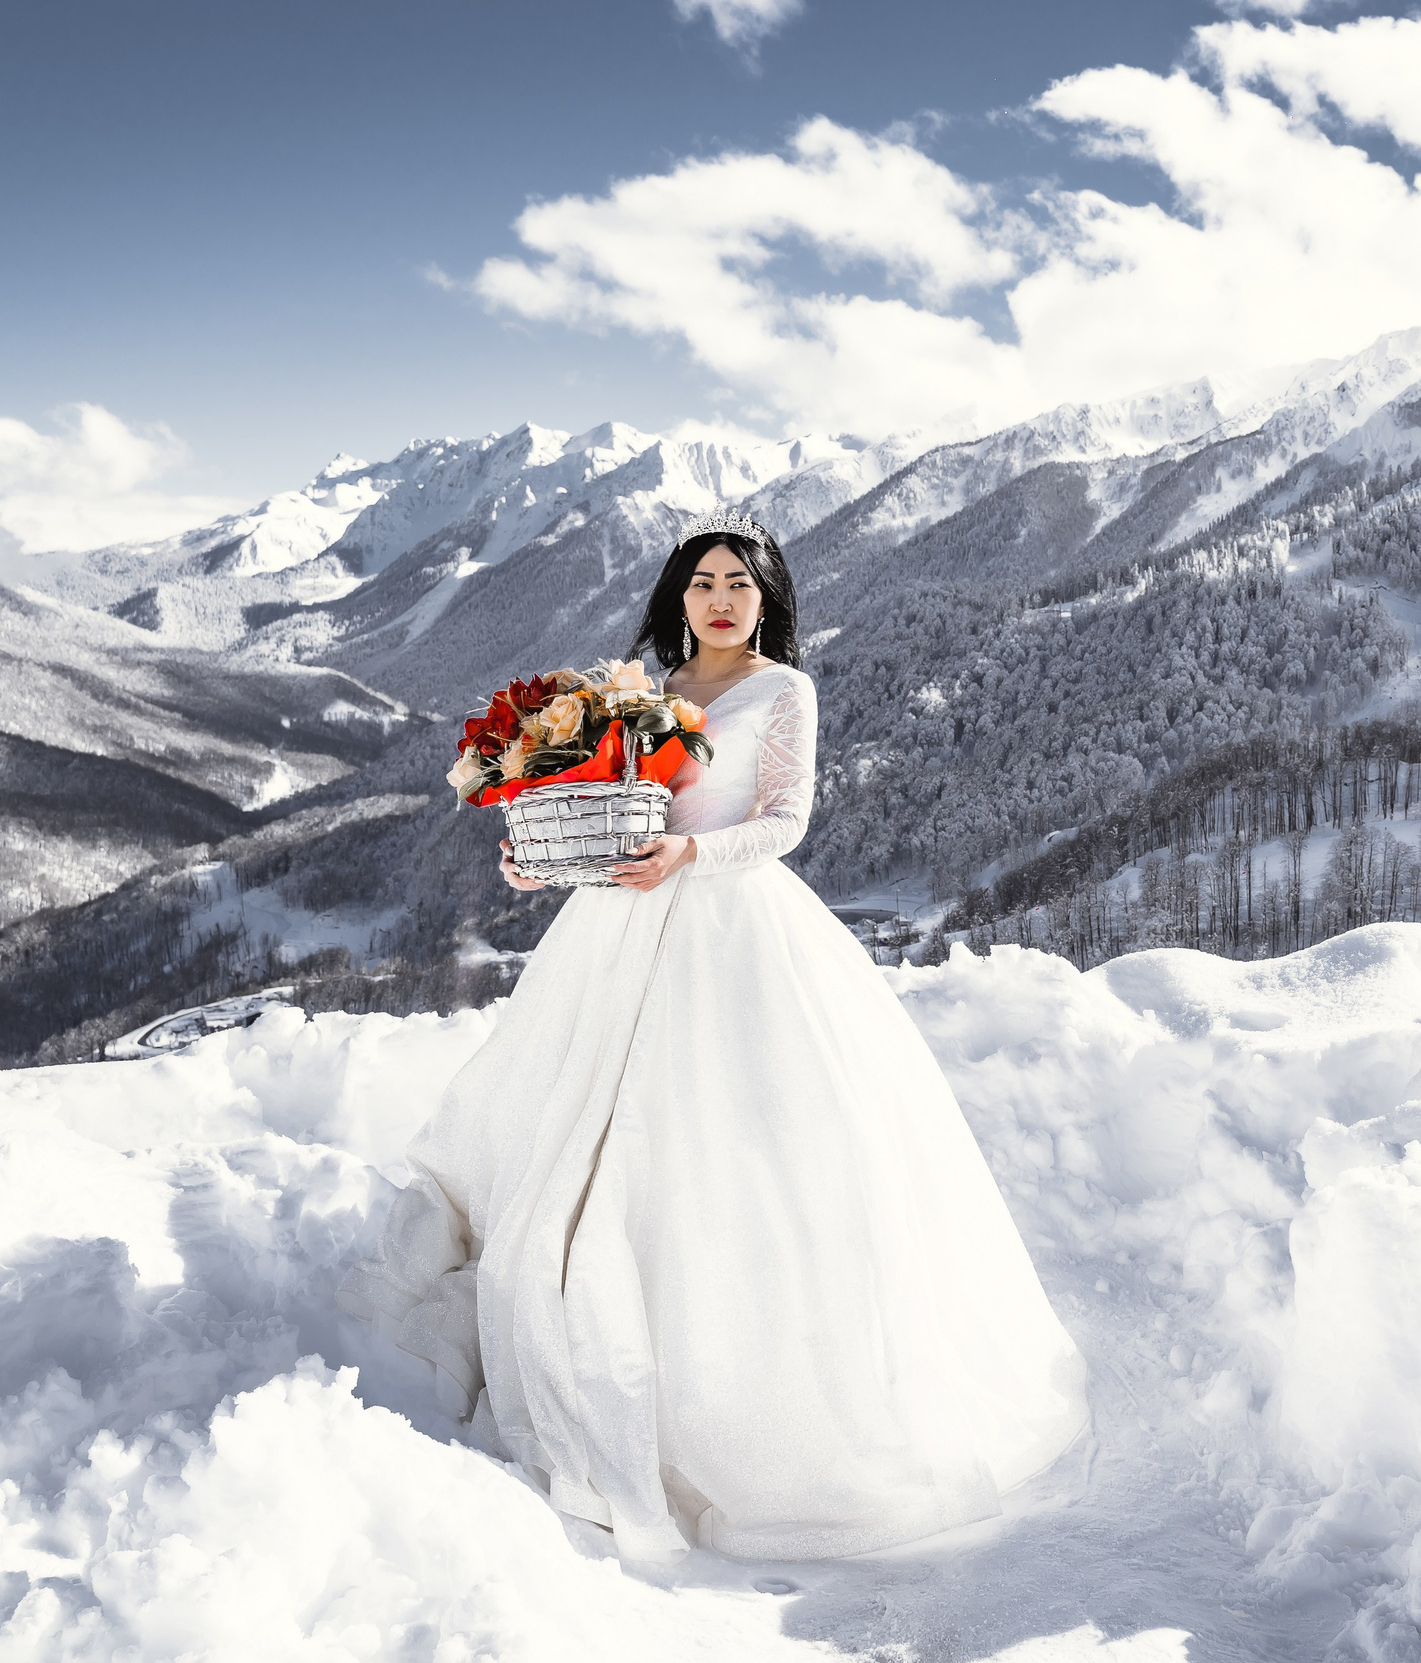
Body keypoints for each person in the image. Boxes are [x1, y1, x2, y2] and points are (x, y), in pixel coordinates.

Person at [338, 509, 1090, 1561]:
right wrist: (543, 856)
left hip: (731, 919)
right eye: (702, 582)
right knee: (575, 1117)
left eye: (740, 582)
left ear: (767, 600)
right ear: (677, 597)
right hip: (617, 922)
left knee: (729, 1142)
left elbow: (786, 822)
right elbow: (599, 805)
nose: (721, 598)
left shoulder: (785, 692)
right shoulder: (644, 690)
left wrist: (689, 862)